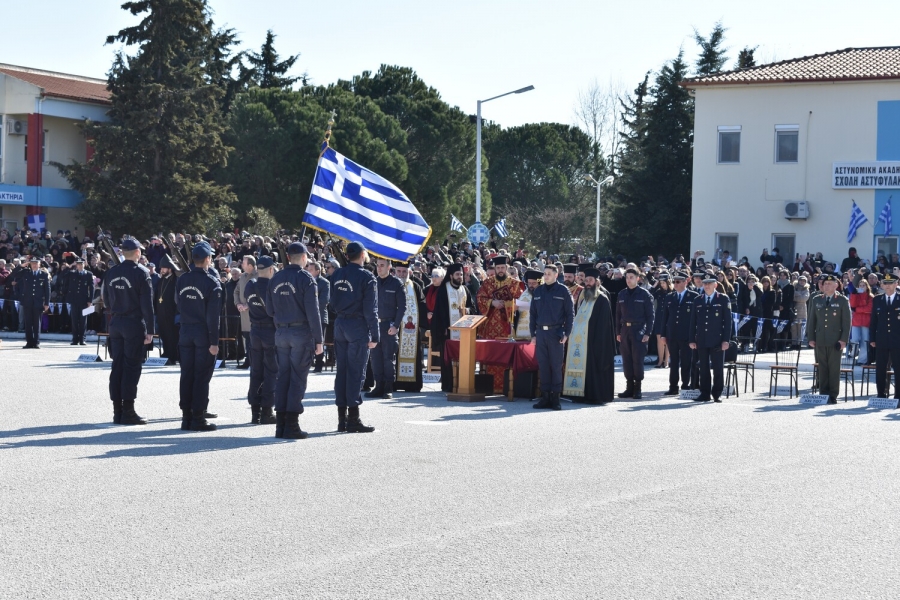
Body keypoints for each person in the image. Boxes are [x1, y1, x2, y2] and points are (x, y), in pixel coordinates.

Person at [266, 242, 324, 439]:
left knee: (283, 377)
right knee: (297, 379)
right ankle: (291, 424)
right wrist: (319, 339)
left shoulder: (276, 278)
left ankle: (280, 424)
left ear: (289, 257)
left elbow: (269, 310)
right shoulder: (306, 278)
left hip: (281, 332)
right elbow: (313, 312)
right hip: (300, 332)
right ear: (304, 257)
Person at [102, 239, 154, 424]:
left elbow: (105, 299)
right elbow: (147, 305)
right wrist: (150, 329)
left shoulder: (112, 272)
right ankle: (128, 411)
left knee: (117, 366)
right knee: (131, 367)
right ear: (138, 252)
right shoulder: (141, 273)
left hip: (115, 322)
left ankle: (117, 410)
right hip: (133, 323)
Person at [329, 241, 377, 433]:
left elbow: (332, 302)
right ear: (363, 254)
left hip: (340, 323)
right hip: (357, 326)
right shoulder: (366, 277)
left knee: (342, 371)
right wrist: (375, 335)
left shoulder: (337, 274)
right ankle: (353, 418)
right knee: (356, 372)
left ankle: (342, 419)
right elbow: (371, 310)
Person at [175, 242, 222, 431]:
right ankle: (198, 417)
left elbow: (178, 303)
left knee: (187, 374)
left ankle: (186, 416)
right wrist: (214, 342)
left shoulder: (182, 279)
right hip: (202, 333)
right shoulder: (212, 283)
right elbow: (213, 317)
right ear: (208, 259)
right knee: (201, 376)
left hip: (185, 330)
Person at [561, 267, 615, 405]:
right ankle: (580, 394)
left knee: (593, 369)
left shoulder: (602, 299)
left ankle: (594, 395)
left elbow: (604, 326)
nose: (587, 283)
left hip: (594, 341)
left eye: (590, 280)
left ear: (597, 282)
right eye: (585, 281)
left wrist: (595, 341)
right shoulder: (583, 297)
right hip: (581, 341)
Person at [476, 256, 525, 392]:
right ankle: (489, 386)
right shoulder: (487, 283)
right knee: (491, 353)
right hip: (490, 325)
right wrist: (492, 303)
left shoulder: (515, 284)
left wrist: (508, 304)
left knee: (505, 353)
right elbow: (480, 298)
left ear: (507, 268)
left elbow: (520, 301)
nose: (501, 270)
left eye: (503, 268)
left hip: (507, 325)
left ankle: (506, 387)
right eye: (498, 268)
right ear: (495, 269)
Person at [530, 264, 575, 410]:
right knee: (543, 365)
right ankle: (545, 397)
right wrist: (533, 334)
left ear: (556, 275)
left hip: (556, 333)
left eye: (549, 273)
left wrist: (567, 333)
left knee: (555, 366)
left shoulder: (563, 291)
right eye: (545, 273)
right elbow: (533, 315)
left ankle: (555, 398)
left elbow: (570, 314)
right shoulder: (538, 291)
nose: (546, 276)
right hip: (541, 334)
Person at [806, 274, 851, 404]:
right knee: (822, 368)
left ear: (836, 285)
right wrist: (811, 338)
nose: (827, 285)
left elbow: (846, 322)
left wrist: (843, 340)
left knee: (833, 368)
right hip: (820, 338)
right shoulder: (816, 300)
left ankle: (833, 394)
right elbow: (811, 321)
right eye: (825, 283)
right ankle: (823, 393)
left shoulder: (842, 300)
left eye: (830, 284)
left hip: (835, 340)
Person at [366, 258, 406, 400]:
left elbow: (402, 307)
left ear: (389, 267)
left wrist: (396, 325)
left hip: (388, 325)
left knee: (388, 358)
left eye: (382, 265)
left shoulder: (396, 284)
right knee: (375, 358)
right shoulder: (372, 282)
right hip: (374, 325)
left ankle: (388, 388)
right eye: (377, 265)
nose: (379, 268)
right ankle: (378, 386)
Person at [431, 263, 475, 393]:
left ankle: (462, 383)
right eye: (457, 274)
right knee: (448, 359)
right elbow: (439, 311)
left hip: (464, 333)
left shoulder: (465, 290)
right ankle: (448, 385)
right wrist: (443, 327)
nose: (460, 277)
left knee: (463, 357)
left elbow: (473, 308)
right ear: (450, 276)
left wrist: (466, 310)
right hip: (448, 332)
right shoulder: (444, 289)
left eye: (461, 274)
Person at [689, 273, 732, 402]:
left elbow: (728, 322)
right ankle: (704, 393)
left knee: (718, 367)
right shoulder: (698, 300)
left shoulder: (723, 299)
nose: (707, 285)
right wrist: (691, 339)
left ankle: (717, 393)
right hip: (702, 339)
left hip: (717, 339)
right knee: (703, 367)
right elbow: (693, 322)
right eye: (705, 283)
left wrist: (726, 340)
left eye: (709, 283)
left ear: (715, 284)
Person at [245, 256, 278, 425]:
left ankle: (254, 411)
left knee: (256, 371)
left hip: (255, 330)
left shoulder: (251, 285)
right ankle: (266, 411)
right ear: (271, 269)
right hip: (269, 331)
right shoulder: (272, 287)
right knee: (271, 372)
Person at [615, 268, 655, 399]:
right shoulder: (622, 294)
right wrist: (618, 332)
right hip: (625, 330)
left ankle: (638, 388)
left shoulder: (644, 294)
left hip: (639, 330)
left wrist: (647, 333)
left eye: (631, 277)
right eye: (627, 277)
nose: (628, 280)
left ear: (638, 278)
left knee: (637, 360)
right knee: (626, 360)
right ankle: (629, 387)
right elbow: (618, 315)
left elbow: (650, 316)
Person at [660, 271, 699, 394]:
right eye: (674, 282)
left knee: (686, 361)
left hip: (687, 335)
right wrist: (663, 334)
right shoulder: (669, 297)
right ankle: (673, 386)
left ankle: (685, 385)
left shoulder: (693, 296)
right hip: (672, 334)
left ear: (685, 282)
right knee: (674, 362)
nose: (675, 284)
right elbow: (664, 317)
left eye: (678, 282)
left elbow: (697, 318)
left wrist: (694, 335)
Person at [393, 261, 426, 393]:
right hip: (394, 327)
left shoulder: (415, 287)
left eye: (404, 272)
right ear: (395, 271)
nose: (401, 274)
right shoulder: (391, 284)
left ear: (409, 272)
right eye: (399, 271)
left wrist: (425, 317)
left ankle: (412, 385)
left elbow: (422, 304)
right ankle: (393, 383)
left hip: (410, 329)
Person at [869, 273, 900, 399]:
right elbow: (873, 321)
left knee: (898, 369)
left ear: (896, 283)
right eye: (885, 283)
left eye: (890, 283)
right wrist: (872, 338)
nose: (887, 286)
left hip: (897, 339)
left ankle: (898, 396)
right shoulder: (877, 299)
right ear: (882, 284)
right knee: (880, 368)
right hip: (881, 339)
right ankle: (881, 394)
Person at [154, 255, 181, 365]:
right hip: (161, 313)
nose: (161, 270)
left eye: (163, 268)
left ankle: (173, 355)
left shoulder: (176, 280)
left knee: (173, 335)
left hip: (172, 313)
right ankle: (166, 353)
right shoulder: (161, 281)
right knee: (164, 334)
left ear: (170, 268)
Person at [305, 260, 330, 373]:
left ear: (318, 271)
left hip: (320, 316)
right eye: (307, 269)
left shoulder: (324, 283)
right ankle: (308, 362)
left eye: (310, 270)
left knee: (319, 340)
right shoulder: (305, 281)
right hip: (306, 317)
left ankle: (319, 364)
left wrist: (309, 308)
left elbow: (324, 301)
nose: (308, 272)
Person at [20, 256, 50, 349]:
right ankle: (29, 342)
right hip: (27, 302)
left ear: (39, 264)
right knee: (28, 323)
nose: (34, 265)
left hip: (38, 302)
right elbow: (14, 275)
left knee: (37, 323)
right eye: (32, 263)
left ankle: (36, 342)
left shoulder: (43, 274)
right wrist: (21, 266)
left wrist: (47, 303)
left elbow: (47, 290)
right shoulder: (26, 273)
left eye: (36, 263)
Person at [233, 255, 257, 370]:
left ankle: (255, 361)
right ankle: (248, 360)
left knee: (255, 339)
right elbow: (236, 291)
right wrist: (238, 304)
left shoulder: (259, 275)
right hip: (243, 313)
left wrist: (248, 305)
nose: (241, 264)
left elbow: (261, 294)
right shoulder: (243, 277)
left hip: (255, 313)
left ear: (250, 266)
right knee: (247, 338)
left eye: (244, 262)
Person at [63, 258, 94, 345]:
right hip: (74, 300)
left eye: (81, 264)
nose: (80, 266)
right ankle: (75, 339)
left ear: (84, 264)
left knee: (83, 320)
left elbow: (91, 288)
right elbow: (63, 276)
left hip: (84, 300)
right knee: (74, 320)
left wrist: (90, 300)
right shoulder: (72, 273)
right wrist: (70, 266)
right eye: (78, 264)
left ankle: (82, 339)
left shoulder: (88, 274)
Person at [850, 278, 873, 364]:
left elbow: (869, 309)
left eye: (863, 285)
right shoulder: (856, 295)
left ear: (867, 287)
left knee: (865, 341)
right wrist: (854, 294)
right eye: (860, 285)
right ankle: (853, 355)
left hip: (866, 322)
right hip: (856, 321)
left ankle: (862, 360)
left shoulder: (870, 296)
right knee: (854, 339)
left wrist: (856, 310)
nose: (862, 287)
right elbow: (852, 305)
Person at [514, 270, 541, 339]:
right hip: (521, 328)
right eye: (529, 283)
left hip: (537, 328)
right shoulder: (524, 293)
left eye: (534, 283)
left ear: (539, 283)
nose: (531, 285)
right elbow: (517, 308)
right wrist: (515, 307)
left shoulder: (543, 293)